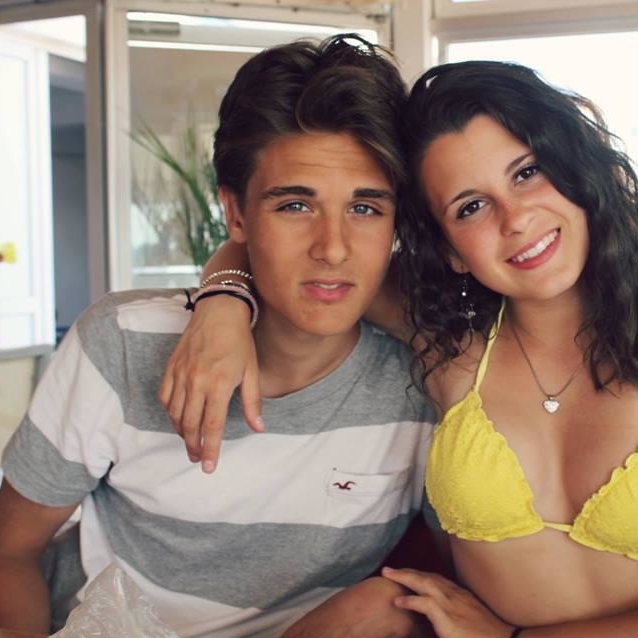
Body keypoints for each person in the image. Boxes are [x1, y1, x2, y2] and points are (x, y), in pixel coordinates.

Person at [160, 60, 638, 637]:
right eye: (470, 206)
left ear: (577, 169)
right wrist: (222, 306)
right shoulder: (451, 343)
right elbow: (287, 253)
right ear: (450, 249)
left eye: (527, 172)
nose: (515, 220)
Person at [0, 34, 437, 638]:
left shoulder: (424, 381)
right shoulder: (122, 342)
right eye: (295, 205)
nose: (333, 248)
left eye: (365, 208)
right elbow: (11, 548)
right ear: (235, 213)